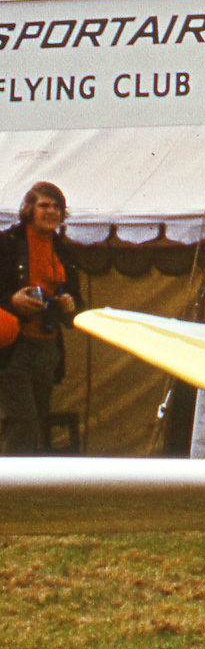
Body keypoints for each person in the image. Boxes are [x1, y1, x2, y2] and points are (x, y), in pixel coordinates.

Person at [0, 182, 82, 453]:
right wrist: (12, 301)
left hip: (47, 346)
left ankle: (22, 484)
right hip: (13, 345)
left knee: (36, 419)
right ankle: (12, 488)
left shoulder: (64, 249)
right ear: (28, 209)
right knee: (23, 419)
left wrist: (70, 304)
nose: (51, 211)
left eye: (56, 206)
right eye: (44, 205)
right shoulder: (7, 244)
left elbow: (76, 307)